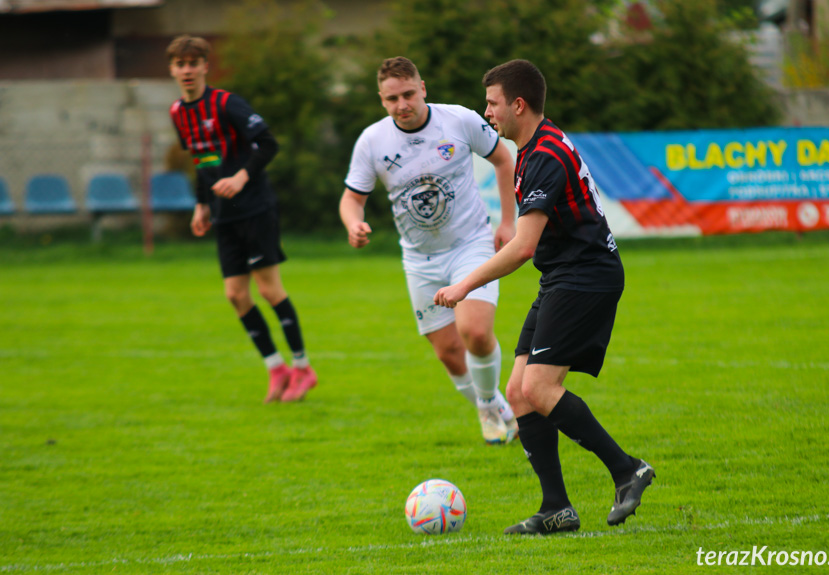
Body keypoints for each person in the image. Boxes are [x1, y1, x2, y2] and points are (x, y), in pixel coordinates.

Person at [434, 59, 655, 534]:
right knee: (517, 392)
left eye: (492, 103)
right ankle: (556, 507)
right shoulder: (534, 147)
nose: (487, 111)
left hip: (585, 277)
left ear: (518, 104)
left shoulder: (545, 155)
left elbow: (523, 247)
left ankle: (627, 469)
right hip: (563, 276)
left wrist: (463, 285)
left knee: (538, 388)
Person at [339, 57, 518, 444]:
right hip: (419, 259)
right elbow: (351, 199)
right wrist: (354, 223)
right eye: (391, 99)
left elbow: (504, 160)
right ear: (382, 101)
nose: (402, 104)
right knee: (450, 353)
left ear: (423, 88)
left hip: (471, 243)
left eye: (407, 94)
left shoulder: (458, 120)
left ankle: (488, 405)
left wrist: (508, 222)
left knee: (475, 333)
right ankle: (501, 411)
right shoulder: (373, 141)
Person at [166, 35, 317, 403]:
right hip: (223, 215)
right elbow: (202, 161)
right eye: (180, 64)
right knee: (235, 295)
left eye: (193, 62)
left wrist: (241, 177)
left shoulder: (226, 103)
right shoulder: (178, 113)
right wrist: (201, 205)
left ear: (205, 66)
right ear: (172, 70)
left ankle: (302, 368)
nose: (187, 70)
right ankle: (275, 368)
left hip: (255, 207)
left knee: (268, 289)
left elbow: (268, 143)